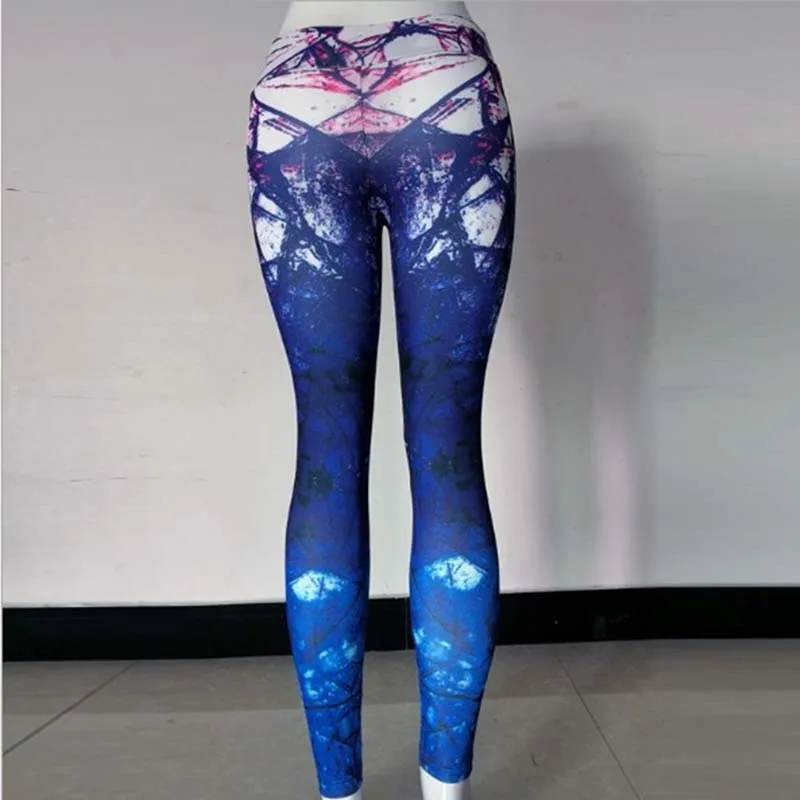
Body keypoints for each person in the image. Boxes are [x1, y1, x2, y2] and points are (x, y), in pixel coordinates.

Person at [246, 3, 516, 797]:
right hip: (446, 76)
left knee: (324, 454)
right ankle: (446, 792)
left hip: (298, 91)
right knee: (448, 452)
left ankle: (339, 792)